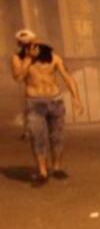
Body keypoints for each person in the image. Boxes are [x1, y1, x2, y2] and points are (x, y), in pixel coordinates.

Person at [10, 30, 83, 186]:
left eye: (32, 43)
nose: (31, 47)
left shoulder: (53, 57)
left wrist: (76, 98)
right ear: (20, 46)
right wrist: (29, 58)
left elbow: (68, 77)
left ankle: (56, 168)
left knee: (57, 137)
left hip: (55, 101)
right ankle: (42, 172)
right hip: (35, 103)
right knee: (38, 138)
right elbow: (18, 77)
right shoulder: (17, 59)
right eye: (26, 45)